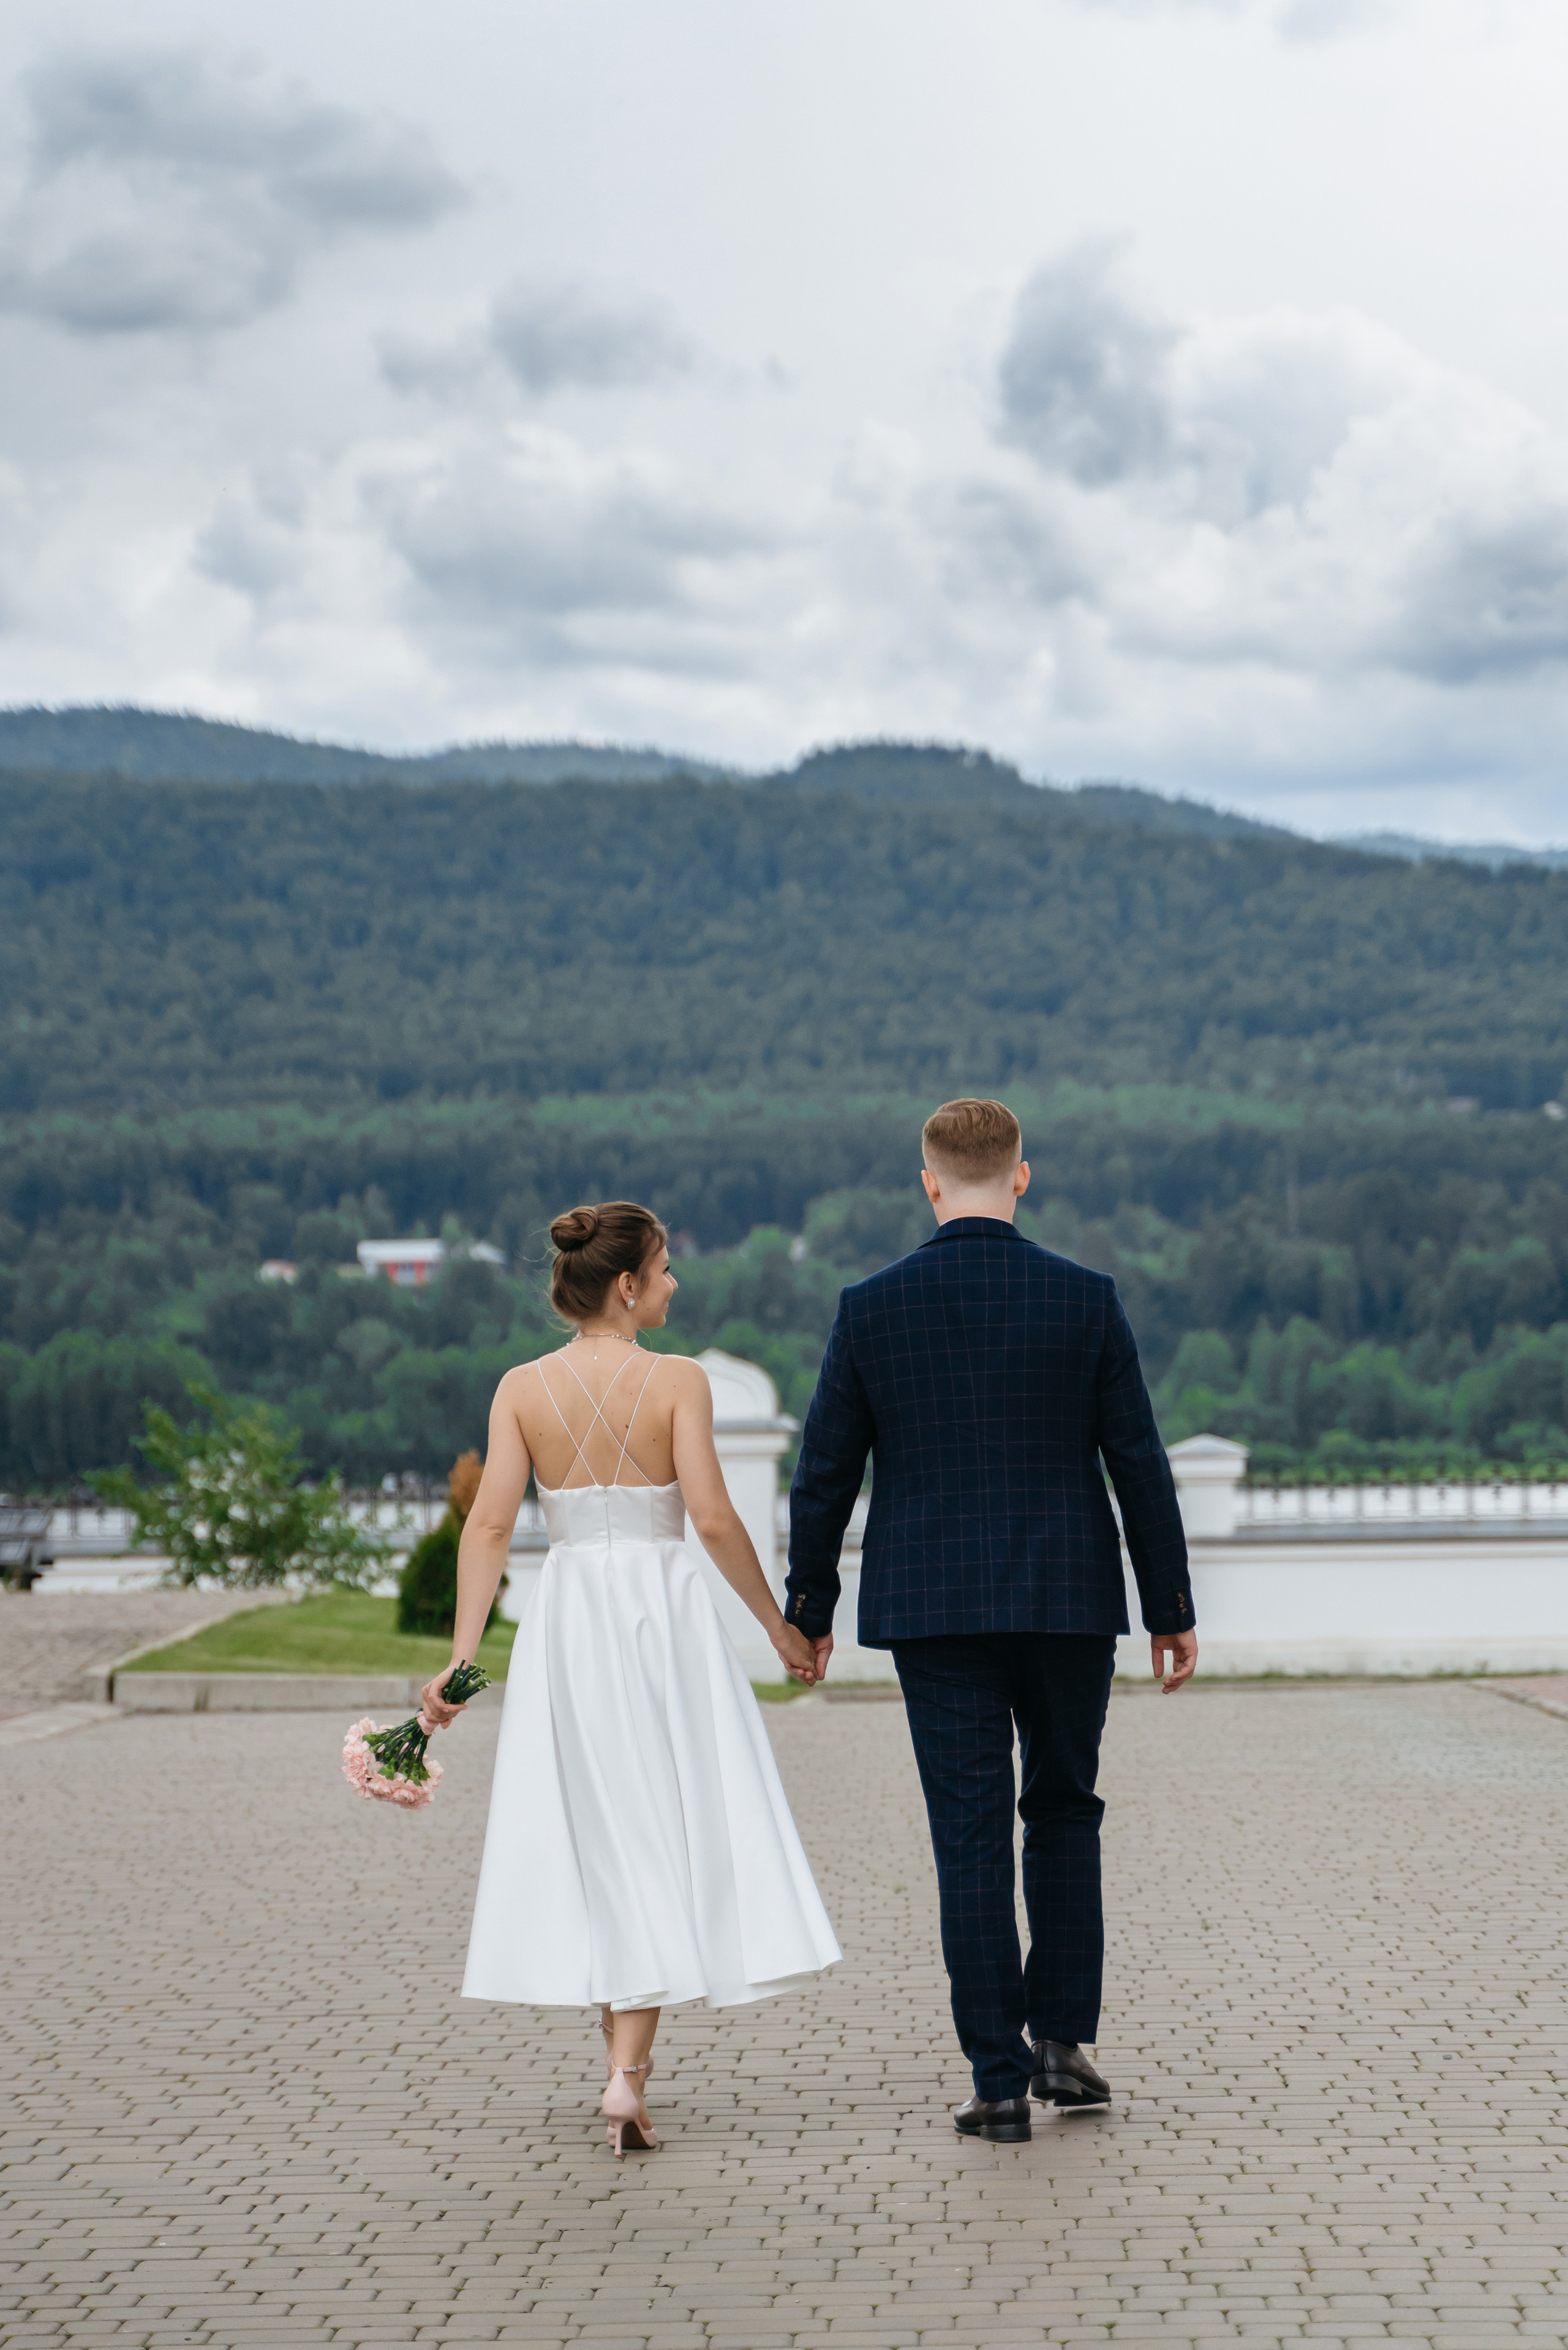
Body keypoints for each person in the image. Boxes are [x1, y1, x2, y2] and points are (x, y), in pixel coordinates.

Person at [785, 1099, 1197, 2143]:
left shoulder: (871, 1307)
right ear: (1022, 1176)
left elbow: (825, 1471)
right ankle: (1064, 2040)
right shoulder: (1086, 1299)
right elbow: (1138, 1462)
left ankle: (999, 2080)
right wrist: (1171, 1608)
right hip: (1066, 1599)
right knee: (1062, 1809)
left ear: (929, 1182)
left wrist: (809, 1608)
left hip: (935, 1605)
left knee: (968, 1838)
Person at [420, 1201, 841, 2158]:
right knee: (655, 1830)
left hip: (570, 1620)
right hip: (661, 1619)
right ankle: (628, 2075)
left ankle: (623, 2067)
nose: (675, 1284)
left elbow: (488, 1528)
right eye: (664, 1269)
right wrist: (778, 1626)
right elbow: (716, 1518)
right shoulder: (678, 1381)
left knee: (602, 1832)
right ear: (626, 1285)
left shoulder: (521, 1388)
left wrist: (460, 1655)